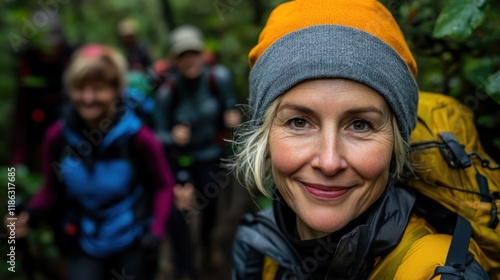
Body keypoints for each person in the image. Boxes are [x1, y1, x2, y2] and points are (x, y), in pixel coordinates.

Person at [229, 0, 490, 279]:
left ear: (395, 145)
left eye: (360, 125)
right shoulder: (258, 244)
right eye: (300, 122)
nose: (329, 162)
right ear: (265, 135)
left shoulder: (439, 271)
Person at [7, 44, 174, 280]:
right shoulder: (58, 136)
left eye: (98, 89)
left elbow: (163, 185)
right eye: (80, 88)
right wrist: (28, 215)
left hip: (133, 239)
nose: (88, 98)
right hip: (83, 238)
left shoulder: (138, 138)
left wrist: (155, 231)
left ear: (116, 90)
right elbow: (51, 189)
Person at [154, 25, 240, 278]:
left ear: (202, 54)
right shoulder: (167, 91)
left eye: (193, 53)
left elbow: (229, 107)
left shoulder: (218, 78)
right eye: (182, 55)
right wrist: (173, 136)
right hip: (180, 159)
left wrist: (231, 116)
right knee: (179, 209)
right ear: (174, 60)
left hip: (211, 154)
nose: (189, 60)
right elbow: (157, 134)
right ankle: (184, 261)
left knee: (211, 205)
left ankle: (207, 244)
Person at [9, 13, 74, 172]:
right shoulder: (26, 59)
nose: (48, 51)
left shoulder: (70, 56)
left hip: (64, 115)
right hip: (33, 112)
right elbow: (21, 110)